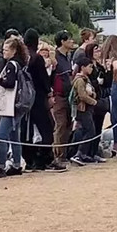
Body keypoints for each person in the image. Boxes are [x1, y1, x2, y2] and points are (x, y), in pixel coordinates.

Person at [24, 28, 64, 171]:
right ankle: (44, 160)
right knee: (47, 128)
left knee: (28, 130)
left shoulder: (25, 58)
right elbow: (43, 79)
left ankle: (31, 159)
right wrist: (49, 93)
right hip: (39, 97)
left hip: (26, 98)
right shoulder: (37, 58)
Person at [0, 36, 28, 178]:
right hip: (17, 105)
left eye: (6, 50)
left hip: (10, 105)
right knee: (14, 135)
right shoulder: (20, 63)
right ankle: (17, 163)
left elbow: (10, 83)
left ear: (13, 51)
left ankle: (1, 164)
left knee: (1, 135)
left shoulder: (12, 65)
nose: (3, 52)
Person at [51, 31, 75, 164]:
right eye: (69, 39)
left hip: (69, 96)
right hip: (59, 96)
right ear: (62, 41)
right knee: (60, 125)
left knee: (68, 125)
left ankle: (64, 154)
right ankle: (57, 155)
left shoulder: (68, 56)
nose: (72, 42)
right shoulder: (55, 57)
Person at [69, 59, 98, 165]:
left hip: (86, 108)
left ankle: (81, 153)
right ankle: (79, 154)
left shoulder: (86, 79)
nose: (91, 69)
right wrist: (93, 101)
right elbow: (82, 95)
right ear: (82, 67)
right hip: (82, 109)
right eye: (89, 66)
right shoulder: (80, 80)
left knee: (83, 131)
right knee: (90, 131)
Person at [87, 43, 110, 163]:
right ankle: (88, 152)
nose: (98, 53)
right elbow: (88, 82)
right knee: (91, 127)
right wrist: (97, 82)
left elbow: (107, 83)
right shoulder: (88, 66)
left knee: (98, 127)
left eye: (99, 51)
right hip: (91, 99)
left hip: (100, 98)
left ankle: (94, 151)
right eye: (96, 51)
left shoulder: (100, 67)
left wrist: (108, 71)